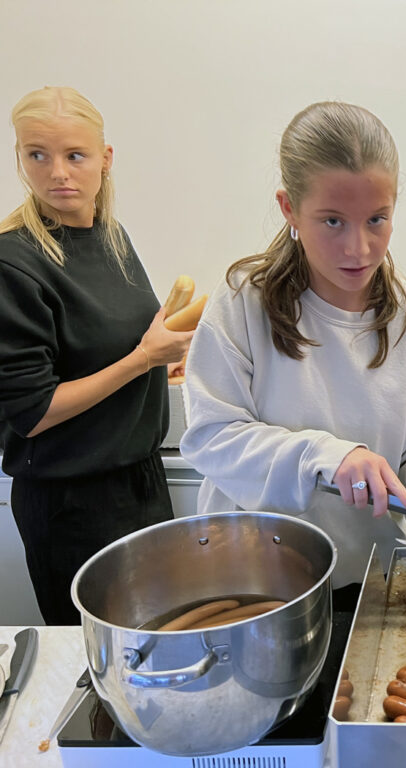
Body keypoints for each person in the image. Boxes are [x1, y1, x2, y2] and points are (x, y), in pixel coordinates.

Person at [179, 101, 406, 604]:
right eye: (332, 221)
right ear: (289, 208)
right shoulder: (243, 301)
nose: (359, 248)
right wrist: (325, 454)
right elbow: (213, 438)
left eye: (376, 219)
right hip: (255, 586)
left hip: (374, 582)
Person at [0, 86, 193, 624]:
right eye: (37, 154)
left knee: (157, 651)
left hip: (140, 481)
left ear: (105, 160)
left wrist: (163, 363)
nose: (58, 172)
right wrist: (140, 362)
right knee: (101, 669)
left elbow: (109, 344)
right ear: (20, 158)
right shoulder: (13, 263)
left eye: (74, 155)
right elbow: (33, 412)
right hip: (71, 505)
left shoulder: (111, 237)